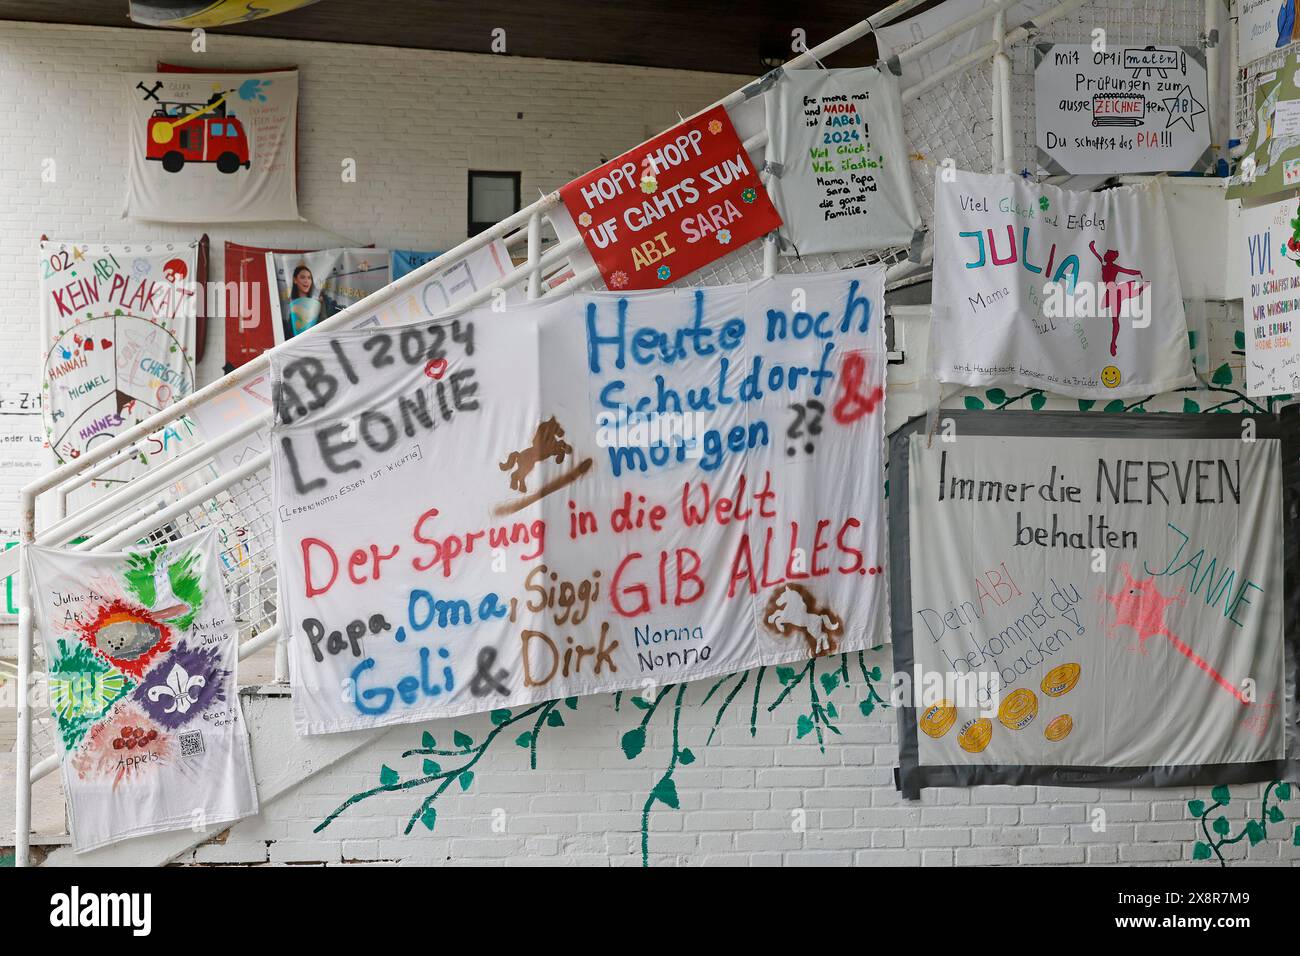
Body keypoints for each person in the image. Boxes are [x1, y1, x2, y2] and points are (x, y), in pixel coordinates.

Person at [1088, 241, 1143, 357]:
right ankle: (1141, 288)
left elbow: (1127, 271)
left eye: (1107, 253)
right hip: (1110, 292)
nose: (1105, 254)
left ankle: (1113, 343)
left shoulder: (1112, 266)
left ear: (1110, 257)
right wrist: (1092, 247)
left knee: (1115, 320)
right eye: (1106, 253)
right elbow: (1096, 255)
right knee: (1109, 317)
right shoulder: (1104, 264)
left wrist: (1137, 272)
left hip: (1113, 292)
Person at [288, 264, 322, 336]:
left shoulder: (318, 302)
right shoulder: (290, 303)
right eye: (302, 277)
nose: (306, 281)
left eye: (309, 278)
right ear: (295, 280)